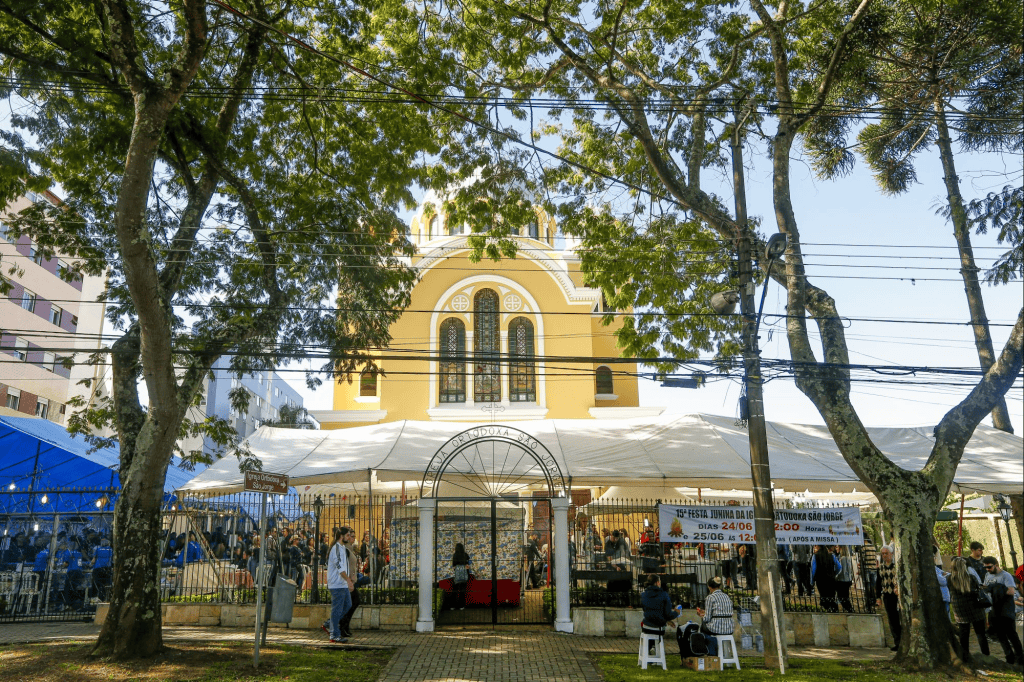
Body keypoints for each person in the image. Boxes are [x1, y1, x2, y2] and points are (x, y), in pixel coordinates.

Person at [982, 556, 1023, 665]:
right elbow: (986, 589)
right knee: (1001, 636)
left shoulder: (1006, 575)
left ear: (996, 565)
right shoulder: (987, 575)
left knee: (1012, 635)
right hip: (994, 609)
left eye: (989, 567)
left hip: (1006, 609)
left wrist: (998, 587)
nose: (988, 569)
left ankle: (1020, 657)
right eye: (985, 567)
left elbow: (1011, 591)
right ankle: (1009, 657)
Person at [948, 556, 989, 661]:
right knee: (980, 633)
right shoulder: (971, 577)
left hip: (959, 609)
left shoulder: (949, 578)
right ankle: (986, 655)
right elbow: (978, 589)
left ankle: (965, 656)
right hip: (975, 607)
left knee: (964, 634)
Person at [325, 528, 353, 644]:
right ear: (341, 536)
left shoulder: (342, 548)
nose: (349, 537)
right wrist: (348, 580)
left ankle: (330, 623)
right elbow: (339, 566)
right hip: (337, 584)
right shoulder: (336, 548)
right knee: (337, 609)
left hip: (342, 583)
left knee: (348, 605)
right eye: (347, 535)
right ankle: (334, 634)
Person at [695, 576, 733, 657]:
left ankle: (711, 653)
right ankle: (725, 655)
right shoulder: (726, 596)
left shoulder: (710, 597)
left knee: (702, 629)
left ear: (709, 587)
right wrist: (705, 613)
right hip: (729, 627)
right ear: (719, 586)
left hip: (716, 628)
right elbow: (721, 612)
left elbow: (707, 618)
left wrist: (702, 615)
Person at [640, 574, 677, 655]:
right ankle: (653, 648)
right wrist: (677, 613)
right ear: (657, 583)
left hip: (646, 626)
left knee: (651, 631)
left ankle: (649, 649)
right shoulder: (663, 595)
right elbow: (668, 614)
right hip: (658, 626)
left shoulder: (643, 595)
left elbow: (648, 610)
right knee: (658, 629)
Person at [875, 545, 900, 651]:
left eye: (886, 553)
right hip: (887, 596)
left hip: (897, 596)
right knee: (892, 619)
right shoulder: (880, 567)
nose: (885, 555)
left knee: (900, 618)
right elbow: (878, 583)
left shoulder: (896, 566)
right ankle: (897, 642)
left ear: (891, 554)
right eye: (883, 554)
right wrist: (878, 597)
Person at [338, 528, 361, 638]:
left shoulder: (350, 549)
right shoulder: (345, 549)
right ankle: (342, 626)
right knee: (353, 602)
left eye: (353, 536)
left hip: (351, 581)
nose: (353, 538)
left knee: (352, 603)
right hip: (347, 582)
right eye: (351, 536)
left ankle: (344, 626)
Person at [811, 545, 840, 613]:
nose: (815, 547)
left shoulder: (815, 556)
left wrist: (812, 581)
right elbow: (839, 567)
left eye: (816, 546)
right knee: (831, 596)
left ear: (818, 547)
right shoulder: (831, 555)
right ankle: (834, 610)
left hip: (820, 580)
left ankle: (826, 609)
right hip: (831, 579)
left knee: (823, 596)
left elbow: (813, 570)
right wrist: (834, 573)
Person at [451, 542, 471, 610]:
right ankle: (461, 606)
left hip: (457, 575)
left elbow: (453, 567)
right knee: (462, 591)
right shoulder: (465, 555)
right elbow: (468, 566)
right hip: (464, 575)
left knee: (455, 590)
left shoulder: (455, 555)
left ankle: (453, 605)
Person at [834, 546, 854, 613]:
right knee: (845, 596)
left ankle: (849, 609)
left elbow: (841, 570)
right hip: (848, 580)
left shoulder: (842, 559)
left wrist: (835, 577)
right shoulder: (848, 558)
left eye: (837, 547)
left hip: (842, 580)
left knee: (842, 597)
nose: (836, 548)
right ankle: (849, 609)